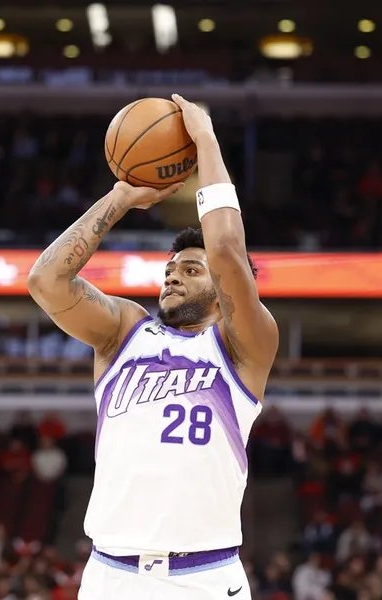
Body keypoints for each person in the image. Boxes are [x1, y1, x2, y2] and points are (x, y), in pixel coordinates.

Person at [27, 94, 278, 599]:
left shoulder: (244, 346)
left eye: (191, 269)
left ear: (225, 289)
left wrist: (205, 139)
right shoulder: (125, 331)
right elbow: (45, 281)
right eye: (170, 268)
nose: (172, 276)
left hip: (204, 578)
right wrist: (120, 198)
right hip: (110, 574)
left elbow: (226, 250)